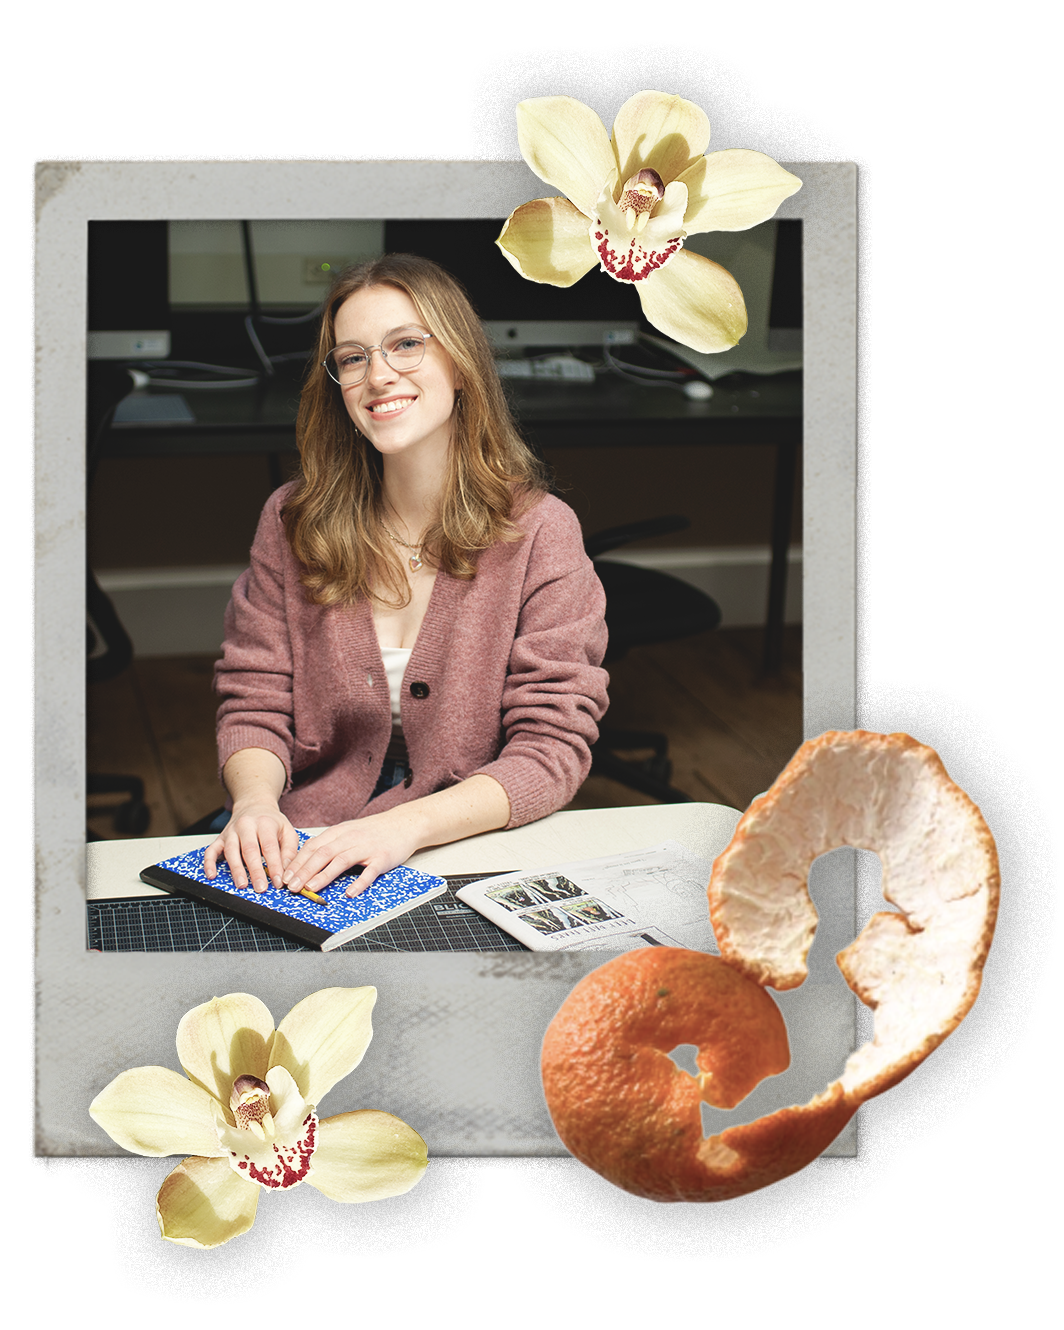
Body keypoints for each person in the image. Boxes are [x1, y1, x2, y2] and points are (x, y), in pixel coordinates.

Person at [204, 254, 609, 899]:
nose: (378, 375)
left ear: (461, 363)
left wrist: (404, 827)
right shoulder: (292, 519)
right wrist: (254, 805)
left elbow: (551, 748)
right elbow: (254, 698)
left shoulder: (542, 531)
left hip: (467, 842)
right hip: (306, 837)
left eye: (407, 345)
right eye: (353, 357)